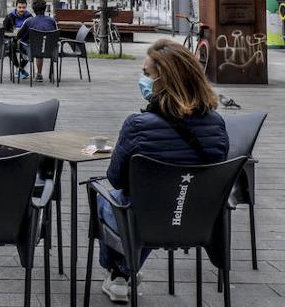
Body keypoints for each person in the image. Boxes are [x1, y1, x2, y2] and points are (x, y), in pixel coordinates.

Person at [96, 39, 229, 303]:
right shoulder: (217, 124)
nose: (142, 79)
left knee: (108, 198)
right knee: (151, 204)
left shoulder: (138, 125)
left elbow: (116, 178)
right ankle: (124, 274)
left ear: (164, 80)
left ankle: (121, 273)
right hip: (197, 220)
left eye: (147, 74)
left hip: (147, 221)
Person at [18, 0, 58, 82]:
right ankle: (39, 74)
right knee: (41, 45)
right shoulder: (52, 21)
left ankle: (21, 67)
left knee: (24, 44)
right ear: (45, 8)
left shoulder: (28, 21)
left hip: (32, 50)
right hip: (50, 50)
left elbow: (19, 35)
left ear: (33, 9)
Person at [3, 0, 32, 80]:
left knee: (29, 47)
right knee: (10, 46)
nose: (21, 9)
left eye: (23, 7)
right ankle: (19, 68)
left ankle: (20, 69)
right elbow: (4, 30)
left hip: (25, 39)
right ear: (16, 7)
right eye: (19, 7)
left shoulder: (29, 16)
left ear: (26, 7)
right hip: (13, 39)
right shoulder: (9, 17)